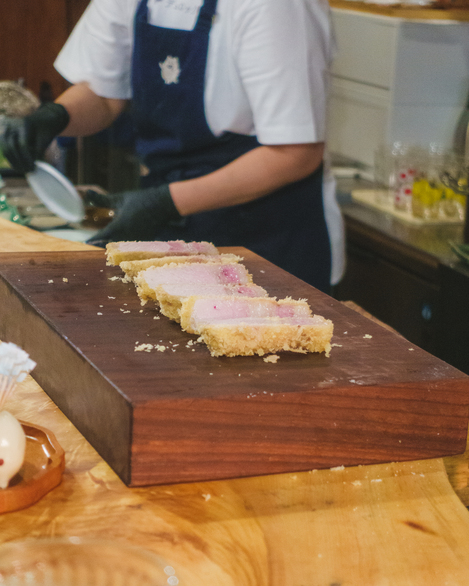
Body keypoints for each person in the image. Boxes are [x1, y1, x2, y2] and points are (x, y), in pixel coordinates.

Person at [0, 0, 344, 293]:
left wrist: (164, 203)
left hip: (267, 238)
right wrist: (54, 117)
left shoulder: (276, 6)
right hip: (174, 222)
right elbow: (103, 95)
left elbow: (296, 154)